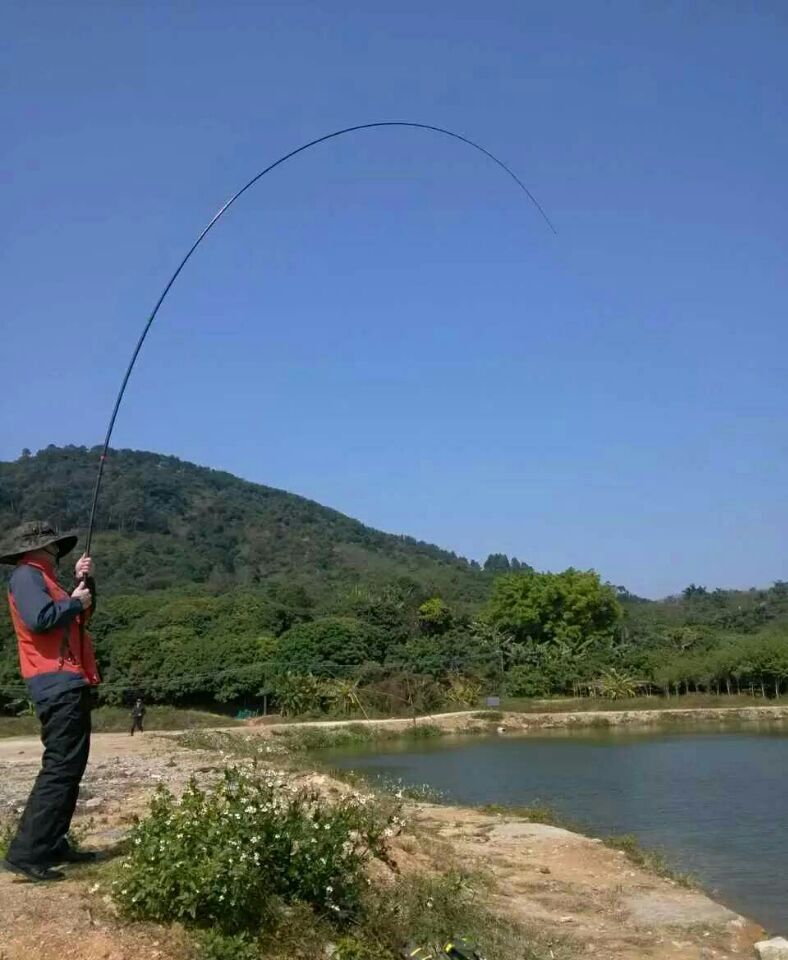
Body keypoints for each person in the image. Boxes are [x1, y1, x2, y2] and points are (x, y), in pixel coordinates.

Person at [0, 520, 100, 882]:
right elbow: (41, 619)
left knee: (70, 768)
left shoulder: (47, 579)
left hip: (67, 680)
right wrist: (73, 602)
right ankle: (27, 852)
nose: (57, 550)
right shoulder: (28, 575)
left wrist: (84, 584)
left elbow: (81, 615)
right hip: (55, 680)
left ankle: (51, 842)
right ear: (43, 546)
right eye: (53, 545)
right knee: (60, 767)